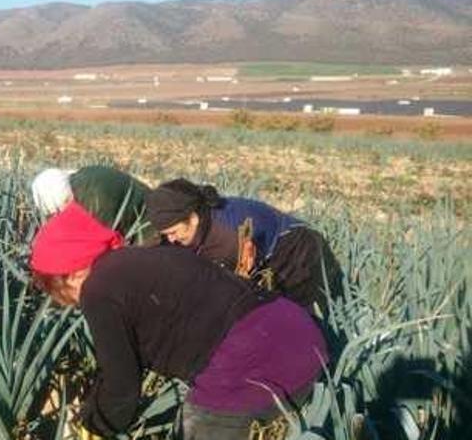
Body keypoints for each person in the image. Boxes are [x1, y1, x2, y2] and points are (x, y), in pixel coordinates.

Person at [29, 201, 328, 439]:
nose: (64, 302)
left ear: (69, 274)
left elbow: (122, 387)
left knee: (199, 425)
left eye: (56, 291)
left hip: (253, 360)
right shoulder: (145, 257)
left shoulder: (98, 289)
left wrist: (93, 429)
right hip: (301, 336)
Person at [145, 178, 343, 316]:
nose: (171, 239)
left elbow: (234, 293)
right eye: (166, 234)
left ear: (193, 218)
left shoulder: (227, 241)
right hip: (272, 251)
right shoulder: (196, 219)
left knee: (310, 323)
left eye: (173, 232)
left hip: (301, 256)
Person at [31, 165, 157, 245]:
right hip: (138, 212)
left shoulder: (94, 201)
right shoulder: (79, 178)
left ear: (66, 199)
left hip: (151, 222)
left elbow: (105, 243)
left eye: (59, 212)